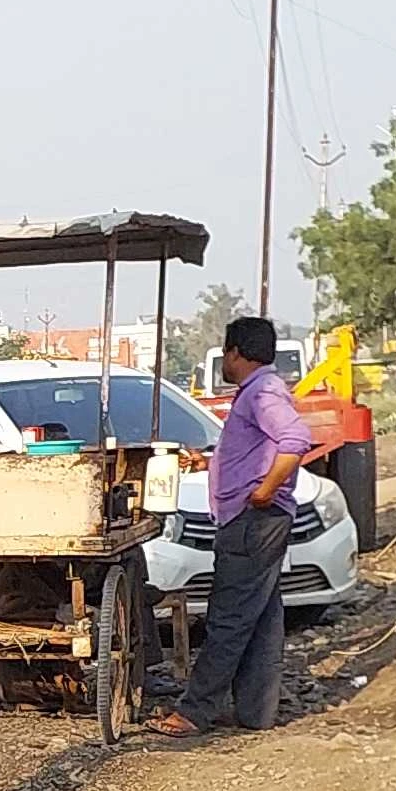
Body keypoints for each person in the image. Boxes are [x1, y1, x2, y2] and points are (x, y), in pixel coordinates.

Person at [148, 316, 313, 737]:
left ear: (236, 352)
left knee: (229, 616)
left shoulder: (263, 393)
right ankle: (256, 712)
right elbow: (260, 449)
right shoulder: (258, 393)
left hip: (254, 519)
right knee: (260, 616)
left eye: (226, 352)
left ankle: (196, 711)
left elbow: (295, 440)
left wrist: (263, 492)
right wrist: (211, 462)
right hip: (254, 516)